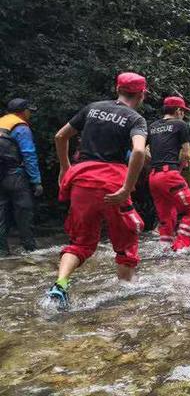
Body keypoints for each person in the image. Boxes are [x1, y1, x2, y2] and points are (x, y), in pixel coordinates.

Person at [47, 72, 148, 309]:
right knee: (126, 240)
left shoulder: (92, 109)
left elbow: (60, 136)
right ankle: (125, 295)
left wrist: (65, 168)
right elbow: (140, 152)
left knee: (81, 242)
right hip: (112, 183)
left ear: (117, 89)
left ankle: (60, 284)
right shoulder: (136, 119)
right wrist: (125, 188)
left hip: (82, 181)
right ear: (141, 94)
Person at [147, 96, 190, 251]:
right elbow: (186, 154)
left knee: (166, 215)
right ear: (178, 110)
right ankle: (180, 248)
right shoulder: (180, 124)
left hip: (154, 176)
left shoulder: (153, 126)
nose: (183, 114)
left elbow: (144, 152)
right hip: (170, 175)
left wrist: (158, 160)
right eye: (183, 111)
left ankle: (165, 248)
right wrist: (180, 167)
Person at [0, 98, 43, 256]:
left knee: (1, 212)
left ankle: (2, 251)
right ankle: (30, 249)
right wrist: (36, 181)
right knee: (24, 210)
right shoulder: (21, 127)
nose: (29, 113)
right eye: (29, 110)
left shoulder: (1, 122)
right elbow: (28, 154)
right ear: (22, 111)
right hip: (15, 175)